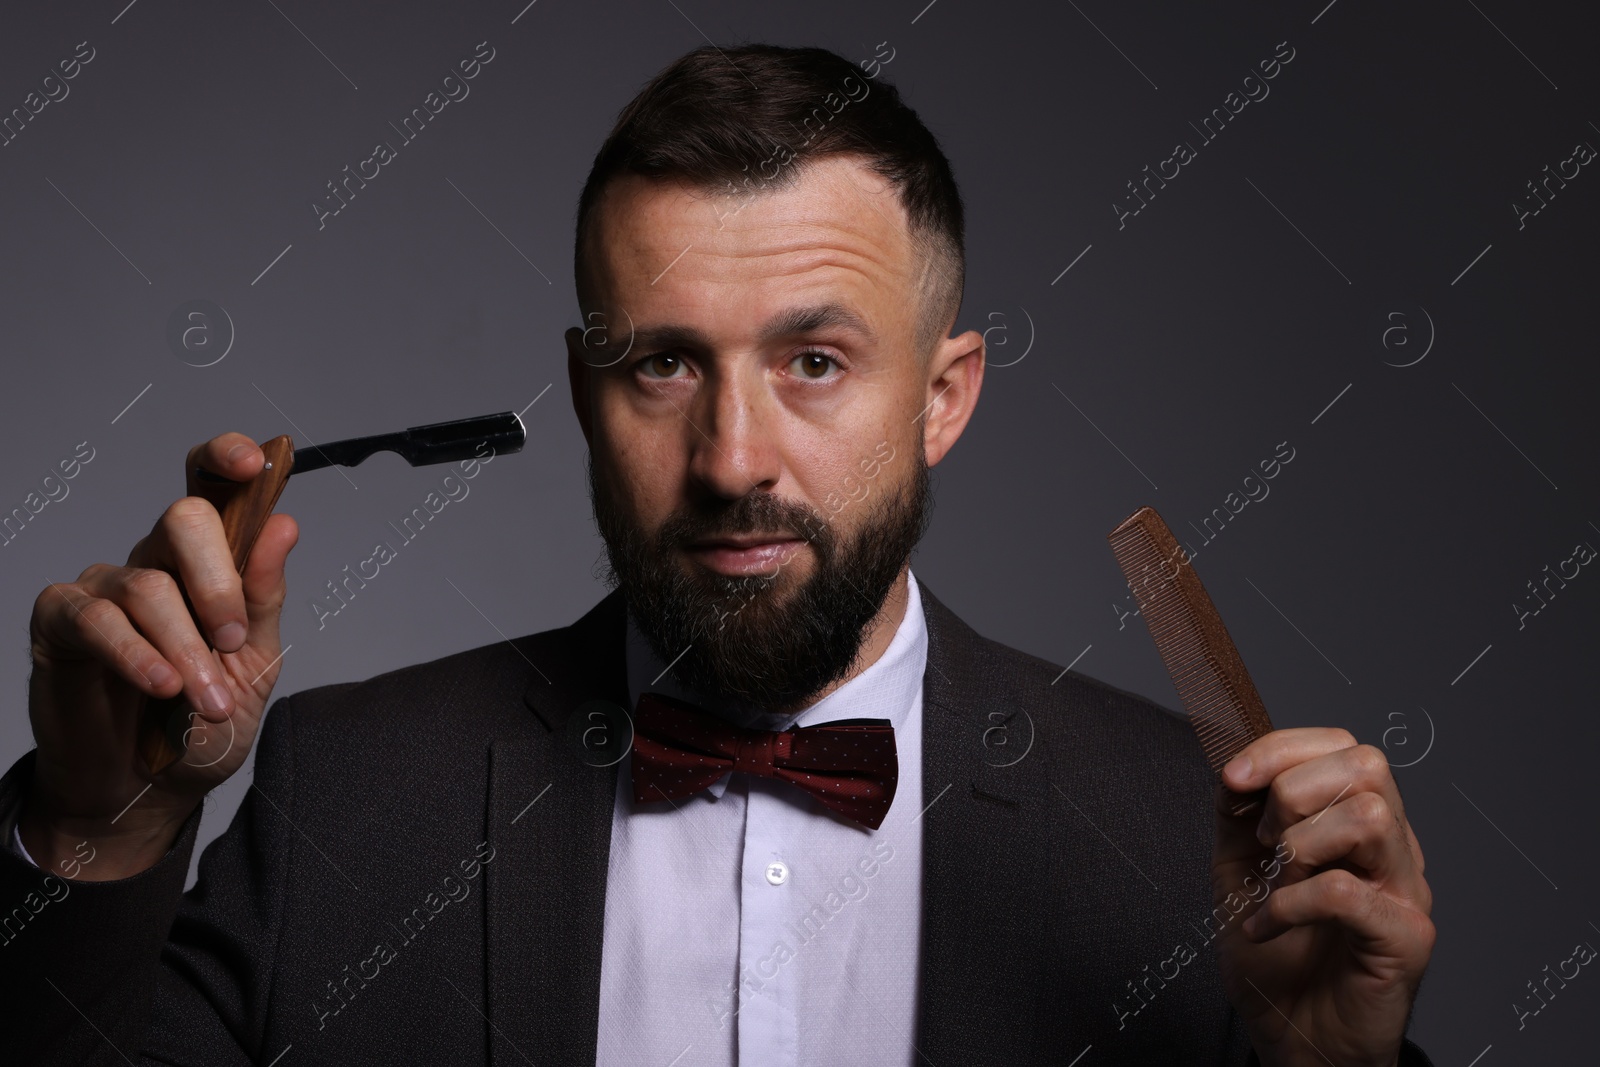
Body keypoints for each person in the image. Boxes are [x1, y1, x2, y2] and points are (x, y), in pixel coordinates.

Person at [0, 44, 1434, 1066]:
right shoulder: (348, 800)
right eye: (664, 367)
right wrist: (99, 821)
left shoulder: (1202, 847)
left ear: (943, 398)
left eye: (815, 360)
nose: (735, 457)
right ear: (580, 394)